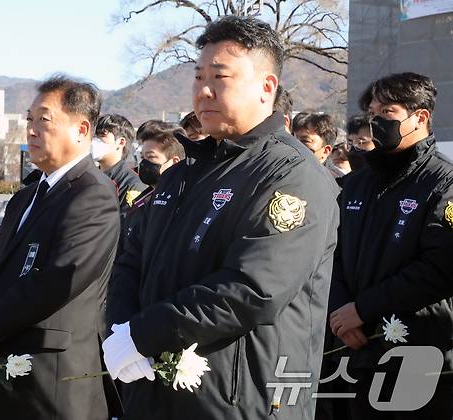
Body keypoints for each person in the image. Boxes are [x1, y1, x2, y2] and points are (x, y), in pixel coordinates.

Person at [104, 15, 339, 419]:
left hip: (238, 400)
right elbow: (131, 256)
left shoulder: (291, 175)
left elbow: (252, 288)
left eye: (220, 76)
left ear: (267, 87)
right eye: (198, 77)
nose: (204, 90)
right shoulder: (182, 174)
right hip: (153, 390)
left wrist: (143, 334)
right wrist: (121, 329)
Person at [0, 75, 121, 420]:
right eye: (28, 120)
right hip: (8, 378)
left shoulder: (93, 194)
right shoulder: (26, 197)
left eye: (43, 120)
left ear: (81, 129)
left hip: (55, 384)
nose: (31, 130)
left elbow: (59, 279)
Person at [328, 72, 453, 418]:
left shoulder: (444, 183)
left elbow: (440, 268)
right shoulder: (356, 184)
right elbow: (331, 252)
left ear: (420, 117)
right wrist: (340, 312)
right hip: (353, 348)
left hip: (418, 352)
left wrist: (363, 310)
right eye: (373, 113)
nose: (377, 121)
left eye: (388, 112)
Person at [92, 114, 146, 214]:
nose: (95, 141)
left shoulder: (132, 184)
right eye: (95, 136)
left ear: (121, 142)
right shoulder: (89, 176)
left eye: (102, 135)